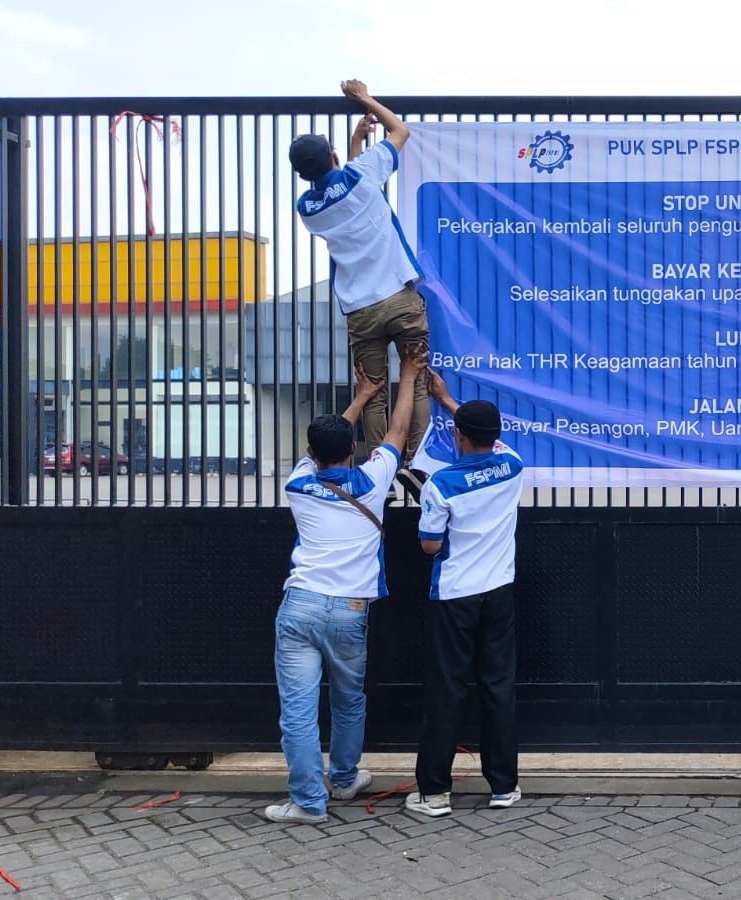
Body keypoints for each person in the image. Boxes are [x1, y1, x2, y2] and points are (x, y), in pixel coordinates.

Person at [265, 345, 428, 824]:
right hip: (350, 610)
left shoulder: (298, 483)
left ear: (311, 454)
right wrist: (406, 374)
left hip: (300, 606)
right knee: (349, 699)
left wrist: (358, 398)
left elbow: (325, 444)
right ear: (353, 449)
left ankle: (307, 803)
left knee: (298, 711)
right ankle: (343, 779)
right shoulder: (373, 481)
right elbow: (398, 431)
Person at [289, 78, 428, 492]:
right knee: (416, 379)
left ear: (302, 175)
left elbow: (342, 192)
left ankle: (380, 470)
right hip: (399, 297)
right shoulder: (363, 175)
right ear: (333, 156)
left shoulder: (307, 209)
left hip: (360, 310)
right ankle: (417, 464)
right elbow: (400, 131)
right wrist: (364, 99)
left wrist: (353, 145)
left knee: (373, 391)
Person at [406, 373, 526, 817]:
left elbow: (430, 546)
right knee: (498, 687)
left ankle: (435, 793)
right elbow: (486, 436)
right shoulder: (512, 465)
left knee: (446, 690)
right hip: (498, 592)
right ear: (495, 435)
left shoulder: (441, 484)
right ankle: (504, 786)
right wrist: (451, 402)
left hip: (454, 595)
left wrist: (441, 399)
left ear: (458, 436)